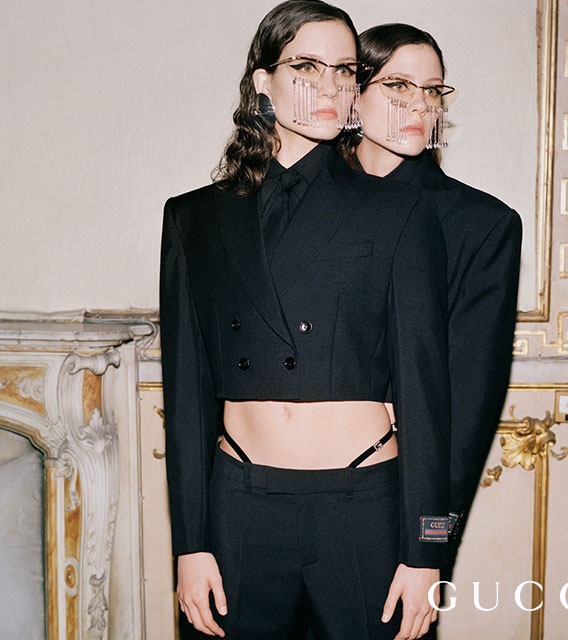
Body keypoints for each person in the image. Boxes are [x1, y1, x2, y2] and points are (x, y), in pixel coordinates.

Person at [160, 3, 451, 639]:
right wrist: (189, 543)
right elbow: (184, 397)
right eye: (306, 66)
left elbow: (427, 400)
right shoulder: (193, 218)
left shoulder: (400, 212)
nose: (329, 85)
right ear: (262, 82)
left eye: (344, 70)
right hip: (239, 505)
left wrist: (429, 551)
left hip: (364, 506)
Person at [343, 23, 522, 566]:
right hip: (275, 505)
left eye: (433, 89)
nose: (420, 104)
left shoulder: (481, 225)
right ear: (353, 94)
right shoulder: (299, 207)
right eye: (398, 85)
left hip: (398, 509)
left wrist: (431, 545)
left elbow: (466, 412)